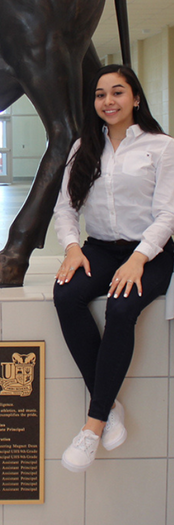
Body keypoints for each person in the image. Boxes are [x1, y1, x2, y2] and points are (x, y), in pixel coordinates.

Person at [53, 64, 174, 472]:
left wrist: (139, 258)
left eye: (118, 92)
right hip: (99, 250)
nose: (108, 101)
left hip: (152, 251)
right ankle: (110, 404)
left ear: (136, 98)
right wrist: (72, 248)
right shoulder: (82, 148)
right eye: (101, 94)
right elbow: (65, 209)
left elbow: (168, 215)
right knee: (66, 295)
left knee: (121, 309)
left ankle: (92, 426)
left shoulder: (162, 147)